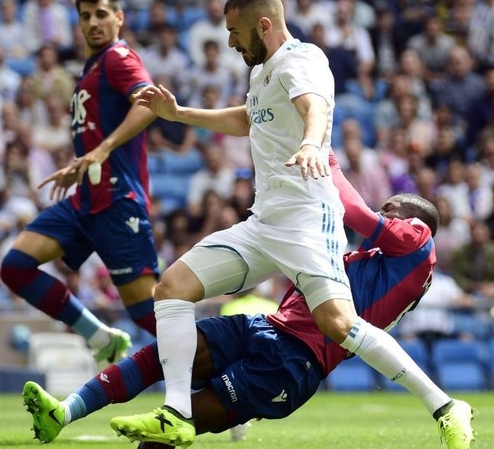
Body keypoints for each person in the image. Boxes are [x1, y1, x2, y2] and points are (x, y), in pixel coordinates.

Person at [112, 1, 473, 447]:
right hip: (265, 220)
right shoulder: (260, 73)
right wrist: (180, 114)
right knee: (171, 288)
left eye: (235, 32)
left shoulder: (303, 60)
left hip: (307, 218)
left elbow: (314, 107)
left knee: (338, 324)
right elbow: (248, 119)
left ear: (263, 26)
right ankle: (175, 412)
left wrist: (310, 143)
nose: (229, 41)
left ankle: (444, 405)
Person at [23, 154, 476, 449]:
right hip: (267, 327)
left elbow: (358, 213)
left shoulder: (420, 243)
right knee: (166, 353)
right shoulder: (364, 260)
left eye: (393, 208)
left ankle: (444, 407)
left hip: (295, 362)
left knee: (172, 429)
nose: (385, 213)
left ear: (414, 220)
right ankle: (63, 413)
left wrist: (328, 163)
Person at [0, 0, 158, 364]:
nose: (93, 23)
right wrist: (84, 161)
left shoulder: (119, 58)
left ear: (119, 18)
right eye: (85, 16)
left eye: (102, 14)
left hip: (117, 201)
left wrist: (102, 150)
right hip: (86, 200)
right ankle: (99, 335)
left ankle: (226, 382)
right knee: (16, 266)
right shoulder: (92, 68)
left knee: (149, 315)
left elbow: (149, 103)